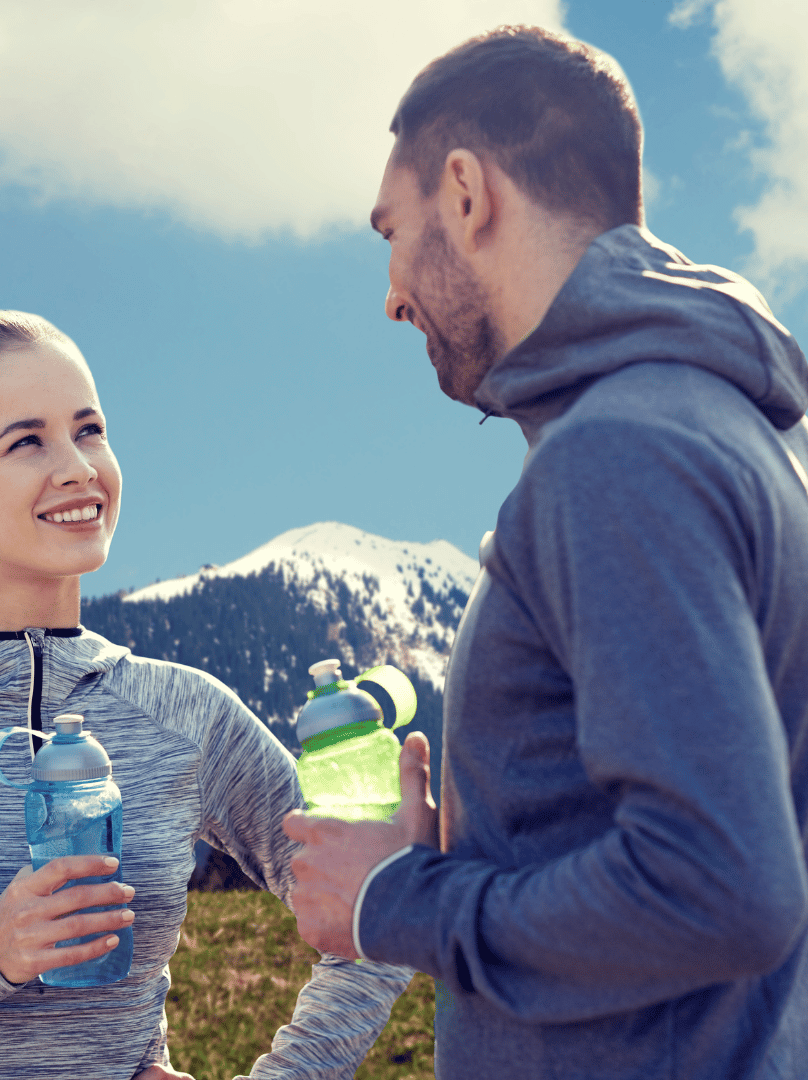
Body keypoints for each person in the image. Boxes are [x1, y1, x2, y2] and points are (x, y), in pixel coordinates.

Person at [282, 23, 808, 1080]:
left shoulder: (618, 454)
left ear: (467, 193)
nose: (390, 292)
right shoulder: (733, 430)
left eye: (391, 230)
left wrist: (398, 901)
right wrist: (477, 850)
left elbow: (720, 887)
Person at [0, 310, 418, 1080]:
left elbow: (380, 905)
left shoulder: (184, 714)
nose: (78, 467)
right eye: (27, 441)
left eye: (89, 429)